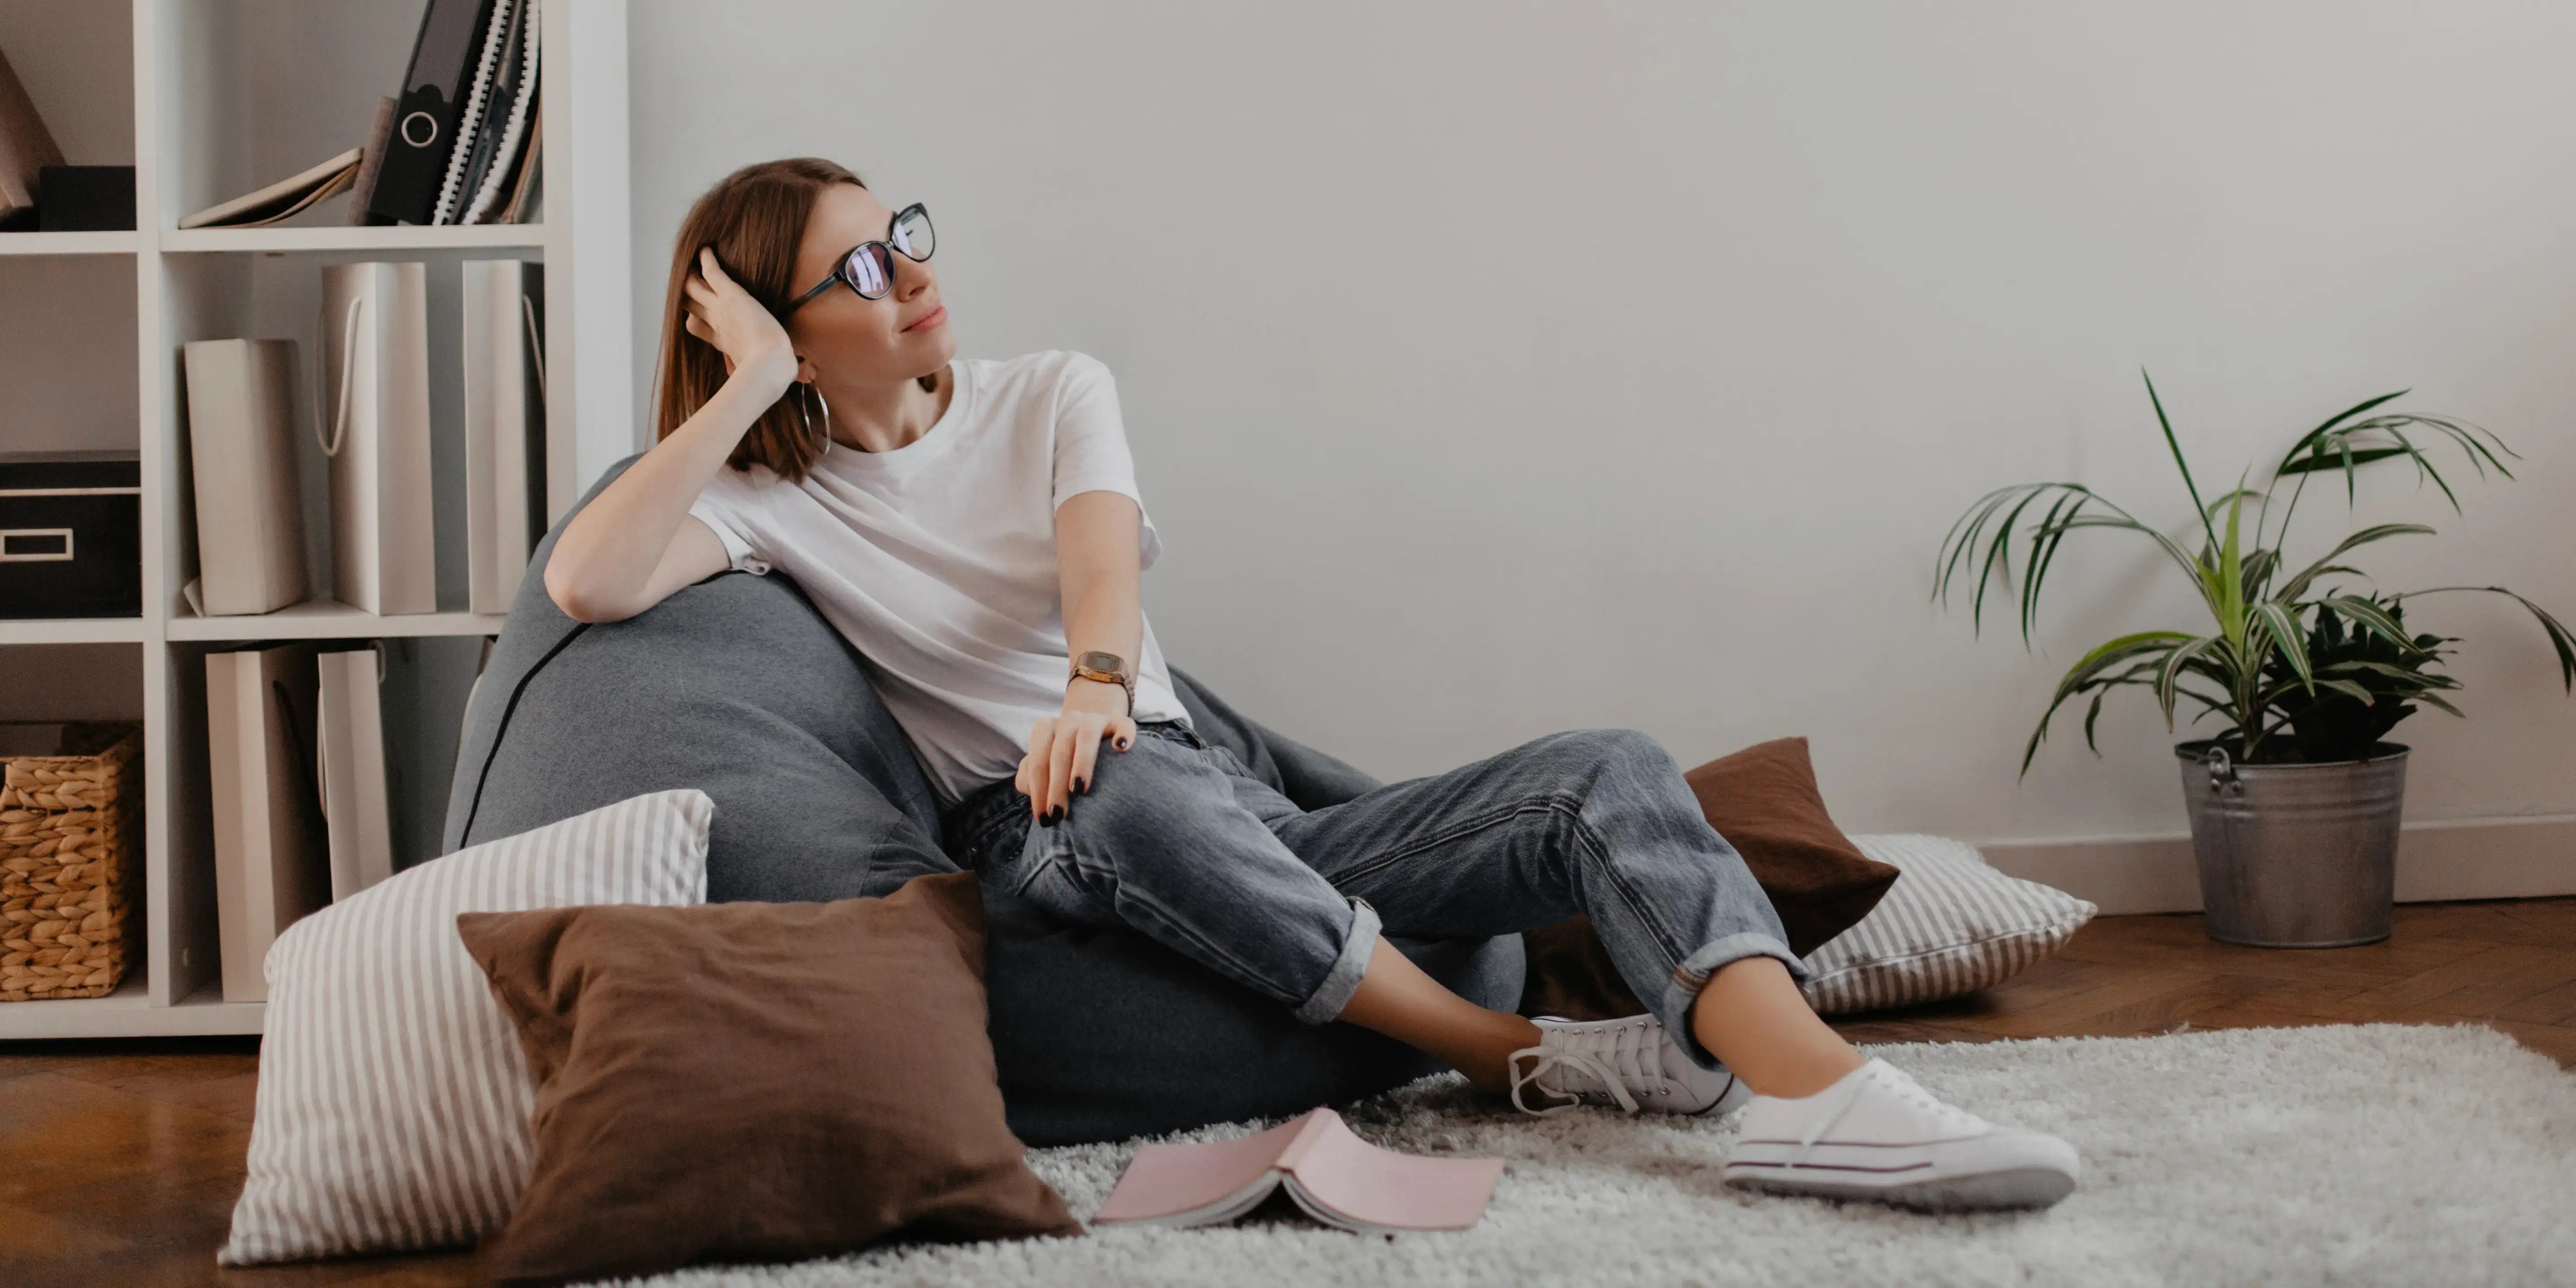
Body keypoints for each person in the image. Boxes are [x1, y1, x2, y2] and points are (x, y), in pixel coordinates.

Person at [545, 157, 2081, 1212]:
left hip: (1182, 790)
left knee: (1602, 768)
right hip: (1032, 835)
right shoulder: (767, 500)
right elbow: (587, 583)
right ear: (787, 331)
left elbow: (1100, 563)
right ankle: (1522, 1062)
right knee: (1125, 781)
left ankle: (1824, 1099)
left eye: (909, 231)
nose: (916, 275)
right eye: (861, 269)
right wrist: (744, 390)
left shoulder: (1048, 392)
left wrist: (1095, 678)